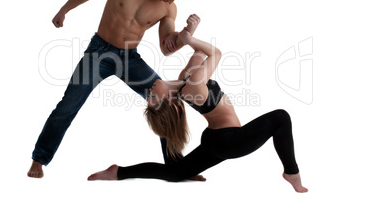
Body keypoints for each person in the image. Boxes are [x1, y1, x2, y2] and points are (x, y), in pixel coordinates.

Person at [87, 15, 308, 193]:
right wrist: (190, 39)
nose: (150, 92)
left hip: (215, 139)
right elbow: (216, 53)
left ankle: (118, 172)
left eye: (150, 96)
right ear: (170, 102)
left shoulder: (185, 78)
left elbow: (200, 53)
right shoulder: (193, 87)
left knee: (174, 173)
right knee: (281, 117)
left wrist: (188, 33)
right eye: (154, 98)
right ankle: (291, 172)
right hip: (231, 141)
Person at [27, 0, 198, 178]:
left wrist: (186, 34)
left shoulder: (168, 9)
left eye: (176, 0)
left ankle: (177, 167)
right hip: (98, 53)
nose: (172, 2)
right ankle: (39, 160)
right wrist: (64, 10)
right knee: (68, 105)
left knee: (168, 102)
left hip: (129, 58)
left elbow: (166, 46)